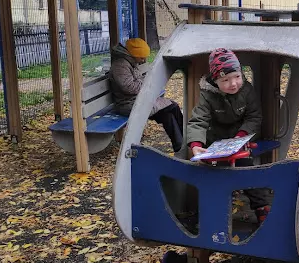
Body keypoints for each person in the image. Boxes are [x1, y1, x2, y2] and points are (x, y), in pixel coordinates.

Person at [185, 48, 271, 222]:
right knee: (211, 176)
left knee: (247, 171)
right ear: (216, 81)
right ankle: (209, 213)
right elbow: (198, 120)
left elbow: (254, 116)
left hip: (238, 140)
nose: (233, 84)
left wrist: (241, 135)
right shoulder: (207, 95)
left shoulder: (246, 91)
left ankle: (262, 207)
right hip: (215, 142)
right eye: (226, 80)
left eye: (237, 77)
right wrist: (196, 144)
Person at [109, 38, 184, 153]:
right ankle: (180, 145)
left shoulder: (129, 62)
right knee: (170, 108)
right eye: (142, 57)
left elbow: (138, 82)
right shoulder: (120, 66)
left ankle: (182, 143)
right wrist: (147, 84)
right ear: (134, 54)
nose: (143, 60)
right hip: (127, 105)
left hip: (137, 100)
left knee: (170, 111)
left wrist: (146, 83)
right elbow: (130, 87)